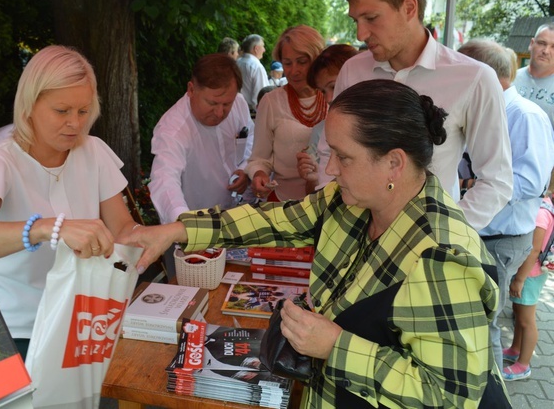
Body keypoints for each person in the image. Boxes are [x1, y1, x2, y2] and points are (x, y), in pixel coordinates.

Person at [122, 79, 510, 409]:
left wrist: (335, 345)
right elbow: (275, 220)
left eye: (343, 157)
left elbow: (450, 396)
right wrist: (176, 231)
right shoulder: (352, 200)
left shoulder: (442, 258)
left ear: (394, 162)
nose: (329, 170)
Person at [0, 45, 140, 359]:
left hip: (82, 320)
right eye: (61, 111)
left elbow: (123, 228)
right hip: (16, 331)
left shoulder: (93, 151)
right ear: (29, 105)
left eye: (83, 111)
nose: (75, 124)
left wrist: (159, 237)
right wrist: (47, 228)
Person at [332, 0, 513, 232]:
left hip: (428, 251)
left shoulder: (474, 78)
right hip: (353, 237)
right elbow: (333, 151)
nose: (360, 34)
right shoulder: (352, 70)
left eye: (371, 18)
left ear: (409, 7)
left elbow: (496, 180)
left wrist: (444, 232)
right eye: (355, 21)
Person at [458, 39, 554, 370]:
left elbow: (532, 183)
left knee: (486, 325)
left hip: (501, 239)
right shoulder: (492, 110)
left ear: (482, 74)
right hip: (485, 234)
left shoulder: (525, 116)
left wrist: (470, 184)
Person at [149, 53, 254, 225]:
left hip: (236, 215)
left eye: (227, 104)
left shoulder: (239, 103)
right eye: (212, 103)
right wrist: (184, 222)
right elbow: (164, 179)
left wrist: (245, 169)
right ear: (191, 90)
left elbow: (250, 136)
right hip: (194, 222)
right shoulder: (173, 129)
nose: (220, 113)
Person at [245, 25, 326, 201]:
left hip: (333, 203)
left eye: (302, 62)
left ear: (317, 59)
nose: (293, 70)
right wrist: (259, 175)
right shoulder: (271, 102)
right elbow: (259, 158)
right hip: (284, 202)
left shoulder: (334, 96)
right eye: (287, 63)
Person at [502, 191, 554, 381]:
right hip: (527, 273)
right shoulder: (544, 205)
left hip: (530, 275)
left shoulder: (541, 212)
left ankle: (523, 365)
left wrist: (519, 279)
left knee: (526, 320)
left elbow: (534, 250)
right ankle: (515, 349)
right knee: (519, 311)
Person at [296, 43, 359, 193]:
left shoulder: (383, 123)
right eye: (323, 91)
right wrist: (312, 177)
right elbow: (312, 193)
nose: (329, 98)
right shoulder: (320, 131)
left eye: (334, 86)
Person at [514, 23, 554, 128]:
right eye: (542, 43)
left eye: (553, 47)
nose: (546, 51)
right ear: (531, 44)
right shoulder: (510, 80)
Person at [236, 34, 269, 113]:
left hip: (235, 110)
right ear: (256, 49)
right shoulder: (256, 67)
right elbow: (261, 96)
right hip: (251, 114)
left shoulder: (237, 63)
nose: (264, 50)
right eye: (263, 46)